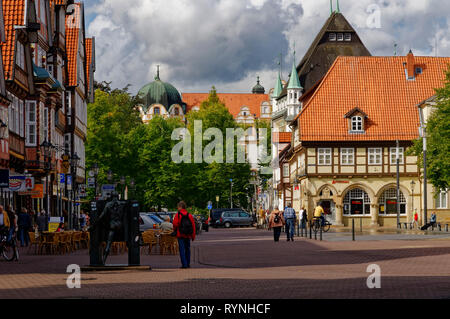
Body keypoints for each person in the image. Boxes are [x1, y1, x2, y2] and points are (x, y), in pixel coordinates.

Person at [172, 201, 196, 269]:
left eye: (178, 207)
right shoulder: (189, 215)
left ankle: (184, 264)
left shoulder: (178, 215)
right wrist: (193, 236)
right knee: (187, 249)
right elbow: (193, 226)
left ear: (180, 207)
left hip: (180, 235)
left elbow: (175, 224)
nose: (177, 208)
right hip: (188, 235)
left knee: (182, 250)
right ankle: (188, 263)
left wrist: (175, 230)